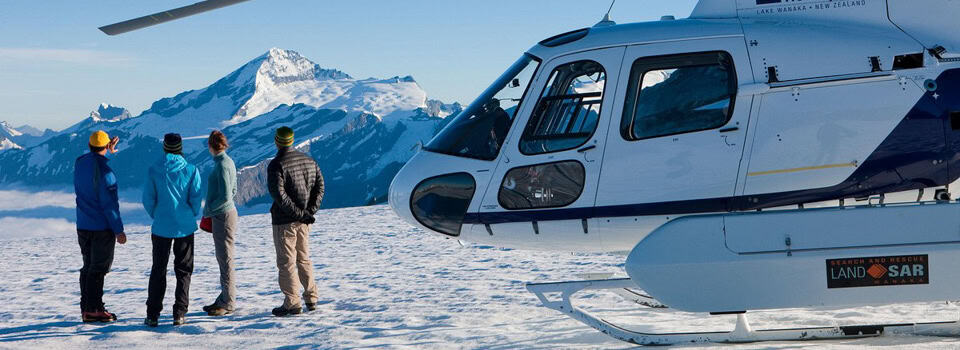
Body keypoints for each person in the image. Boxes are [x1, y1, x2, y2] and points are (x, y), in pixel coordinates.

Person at [141, 133, 202, 327]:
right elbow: (196, 198)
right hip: (184, 227)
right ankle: (179, 313)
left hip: (161, 226)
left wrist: (157, 214)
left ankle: (152, 315)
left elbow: (148, 199)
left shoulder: (154, 170)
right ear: (180, 148)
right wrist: (189, 214)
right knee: (183, 270)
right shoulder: (191, 169)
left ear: (165, 148)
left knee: (158, 269)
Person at [267, 126, 324, 317]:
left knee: (286, 263)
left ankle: (292, 303)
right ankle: (311, 298)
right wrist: (309, 212)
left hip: (285, 222)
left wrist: (299, 214)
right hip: (304, 221)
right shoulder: (309, 160)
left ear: (277, 141)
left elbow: (279, 195)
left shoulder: (276, 164)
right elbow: (320, 187)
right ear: (291, 140)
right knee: (304, 259)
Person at [74, 130, 126, 323]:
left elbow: (92, 160)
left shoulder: (80, 163)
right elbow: (109, 204)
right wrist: (118, 230)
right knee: (98, 268)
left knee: (88, 266)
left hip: (83, 224)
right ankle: (95, 309)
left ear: (89, 146)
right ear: (105, 146)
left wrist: (106, 149)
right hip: (101, 227)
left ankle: (87, 308)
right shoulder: (105, 172)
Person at [200, 130, 239, 317]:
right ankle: (224, 297)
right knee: (224, 258)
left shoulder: (222, 165)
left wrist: (209, 210)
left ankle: (228, 301)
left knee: (225, 259)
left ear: (210, 146)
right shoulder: (227, 162)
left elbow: (224, 196)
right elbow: (233, 190)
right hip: (226, 214)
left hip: (222, 216)